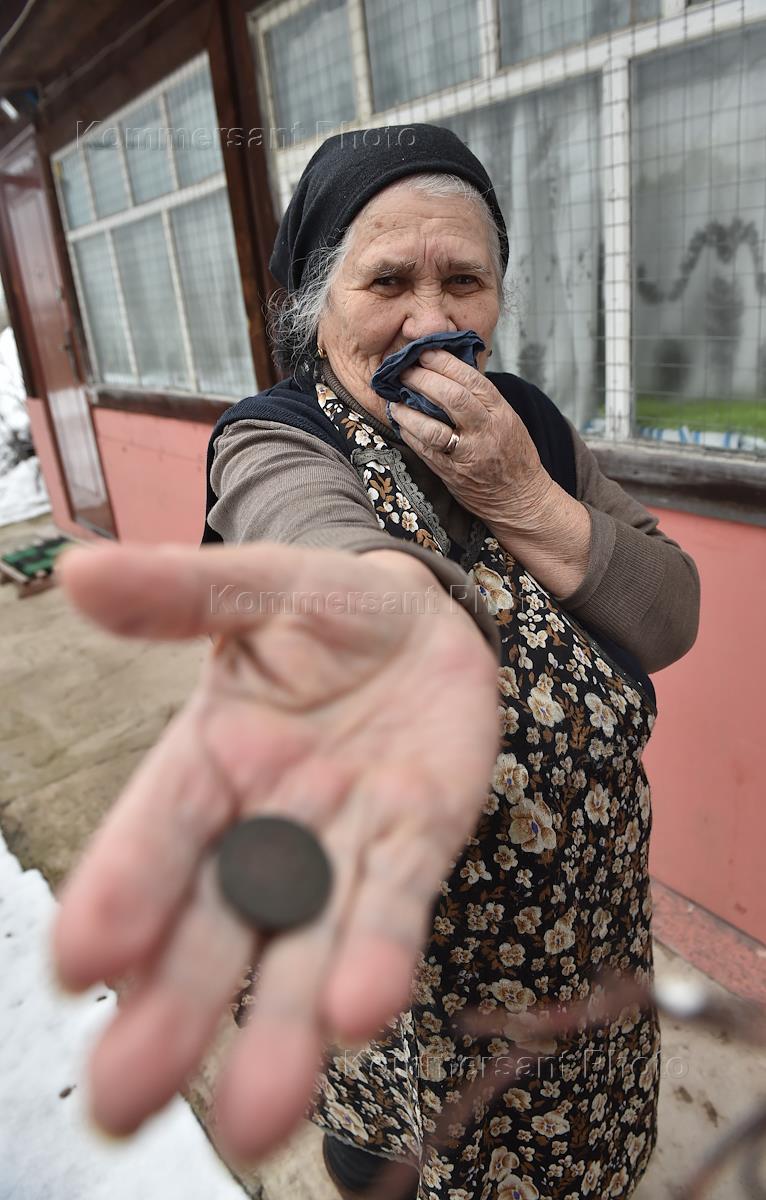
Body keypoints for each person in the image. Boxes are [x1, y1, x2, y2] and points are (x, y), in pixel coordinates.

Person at [53, 124, 700, 1200]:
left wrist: (520, 496)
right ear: (317, 305)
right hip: (399, 952)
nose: (432, 322)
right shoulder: (275, 442)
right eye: (387, 281)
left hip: (584, 928)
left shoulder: (532, 430)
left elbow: (670, 612)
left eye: (464, 281)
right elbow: (326, 555)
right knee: (396, 1139)